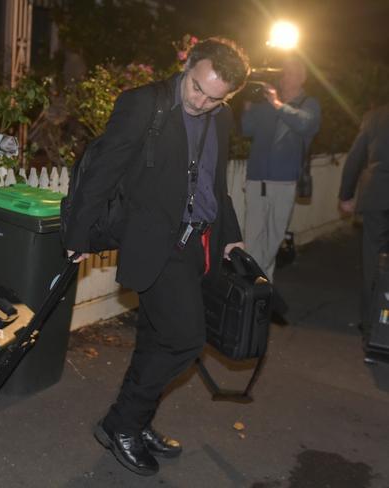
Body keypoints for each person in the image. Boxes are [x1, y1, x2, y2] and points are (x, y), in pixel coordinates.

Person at [63, 38, 250, 476]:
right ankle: (121, 424)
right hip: (153, 242)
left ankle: (137, 420)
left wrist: (230, 236)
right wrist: (78, 234)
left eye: (214, 97)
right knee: (185, 339)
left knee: (154, 338)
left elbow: (216, 184)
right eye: (197, 88)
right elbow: (104, 172)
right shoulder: (143, 104)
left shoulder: (221, 118)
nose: (201, 102)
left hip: (195, 245)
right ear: (187, 65)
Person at [241, 56, 321, 281]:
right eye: (283, 72)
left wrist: (277, 104)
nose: (285, 77)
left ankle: (261, 287)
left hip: (285, 182)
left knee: (273, 240)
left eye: (290, 73)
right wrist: (248, 103)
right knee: (252, 238)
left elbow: (306, 124)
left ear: (302, 77)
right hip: (257, 179)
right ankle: (254, 288)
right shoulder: (265, 101)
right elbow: (247, 129)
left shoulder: (309, 104)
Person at [338, 103, 389, 338]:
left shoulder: (375, 115)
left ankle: (371, 325)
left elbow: (356, 157)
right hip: (377, 196)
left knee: (372, 262)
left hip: (376, 196)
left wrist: (346, 195)